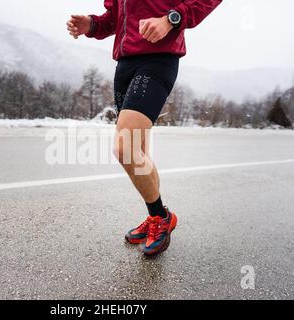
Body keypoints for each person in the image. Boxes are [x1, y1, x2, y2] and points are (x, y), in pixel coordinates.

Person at [67, 0, 222, 256]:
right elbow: (117, 17)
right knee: (137, 152)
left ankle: (161, 217)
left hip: (158, 59)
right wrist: (92, 25)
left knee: (124, 147)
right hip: (125, 64)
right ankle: (156, 218)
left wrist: (171, 19)